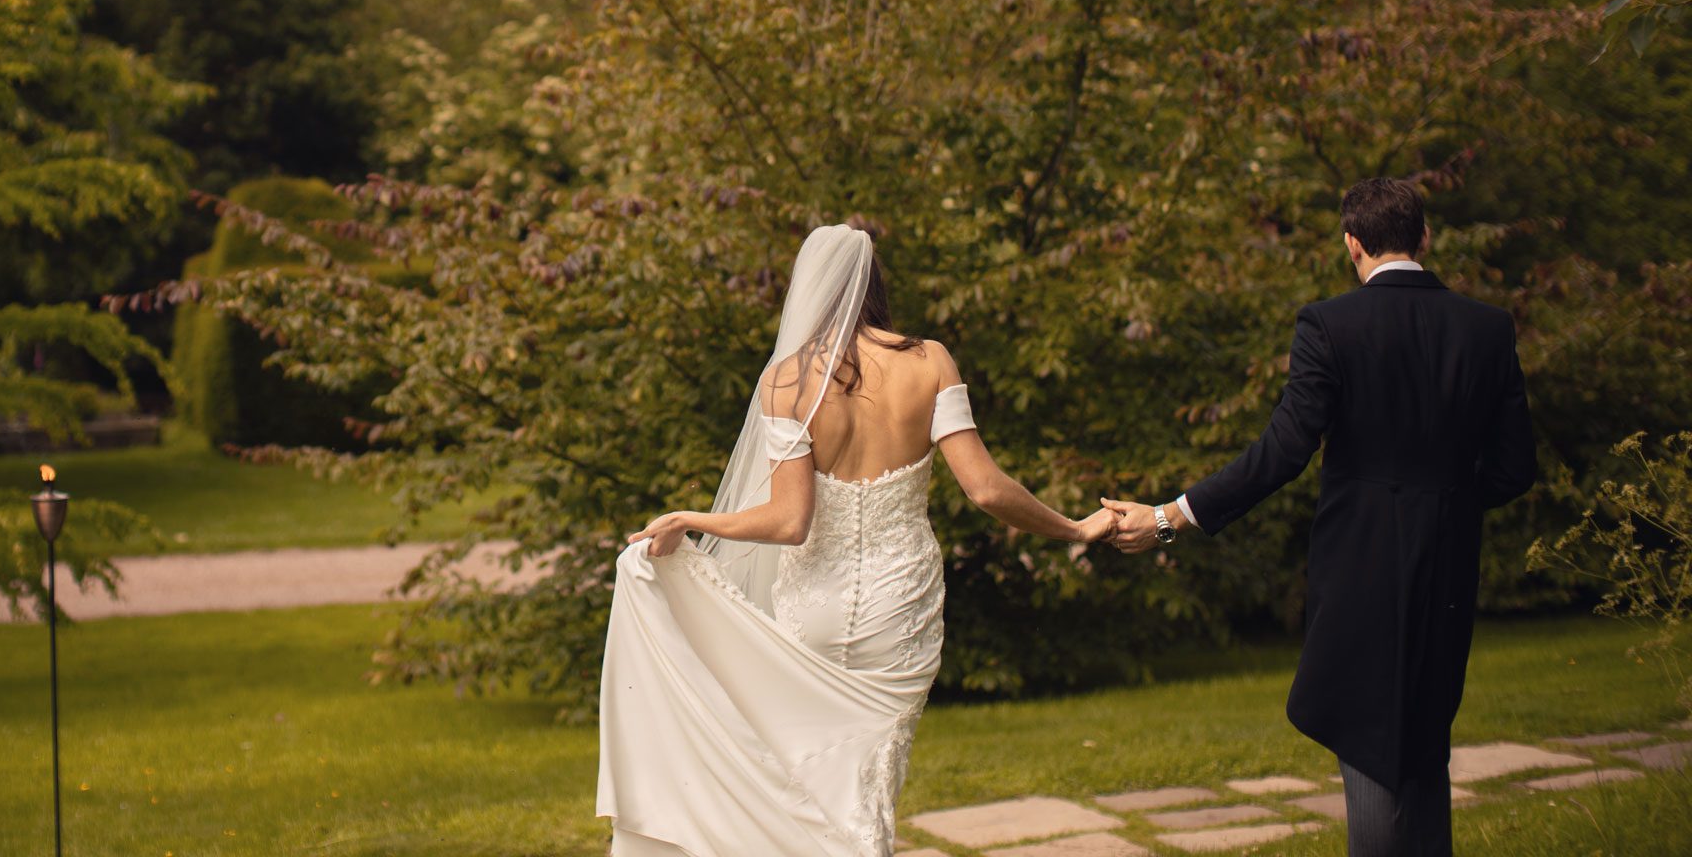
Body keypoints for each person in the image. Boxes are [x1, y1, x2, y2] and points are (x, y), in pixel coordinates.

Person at [596, 223, 1117, 856]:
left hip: (811, 603)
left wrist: (693, 520)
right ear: (876, 286)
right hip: (899, 604)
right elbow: (984, 490)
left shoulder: (786, 380)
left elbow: (790, 523)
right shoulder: (930, 360)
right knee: (869, 785)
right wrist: (1071, 527)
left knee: (806, 782)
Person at [1103, 178, 1537, 857]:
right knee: (1424, 745)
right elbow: (1514, 470)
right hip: (1448, 568)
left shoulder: (1330, 324)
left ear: (1352, 245)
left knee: (1367, 738)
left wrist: (1168, 518)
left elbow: (1283, 452)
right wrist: (1441, 504)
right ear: (1425, 238)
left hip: (1359, 569)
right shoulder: (1487, 329)